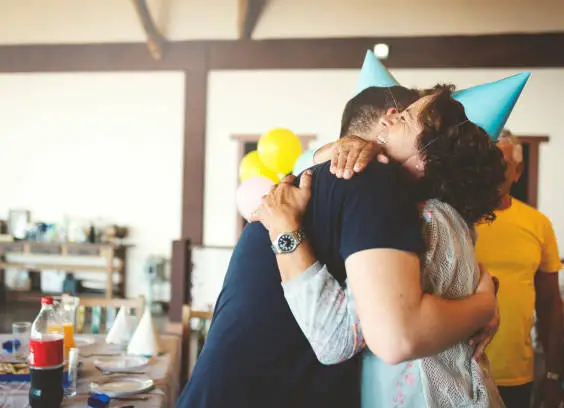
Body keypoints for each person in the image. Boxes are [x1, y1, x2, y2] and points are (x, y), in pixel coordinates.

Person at [176, 81, 499, 407]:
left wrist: (482, 294)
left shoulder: (352, 185)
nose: (393, 116)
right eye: (399, 111)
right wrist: (484, 304)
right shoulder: (371, 183)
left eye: (406, 115)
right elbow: (368, 338)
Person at [475, 131, 564, 408]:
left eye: (501, 166)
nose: (492, 173)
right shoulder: (454, 218)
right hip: (461, 369)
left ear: (518, 171)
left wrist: (552, 374)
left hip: (516, 374)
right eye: (485, 164)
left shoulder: (538, 224)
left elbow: (550, 304)